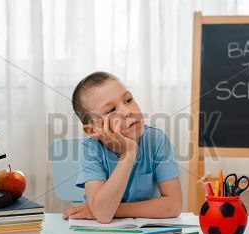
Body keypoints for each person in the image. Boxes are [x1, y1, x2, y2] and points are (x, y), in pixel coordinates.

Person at [63, 71, 182, 223]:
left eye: (128, 100)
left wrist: (110, 209)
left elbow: (174, 206)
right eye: (111, 110)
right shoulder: (90, 149)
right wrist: (129, 153)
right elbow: (104, 217)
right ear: (93, 130)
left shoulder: (156, 140)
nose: (127, 111)